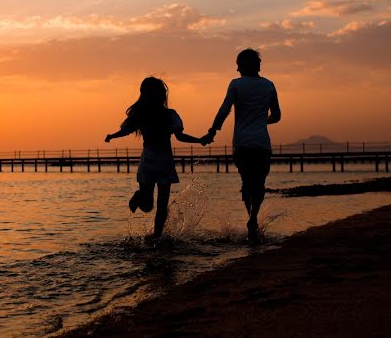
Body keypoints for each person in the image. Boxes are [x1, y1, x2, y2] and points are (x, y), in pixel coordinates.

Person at [105, 77, 210, 241]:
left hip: (150, 162)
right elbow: (180, 136)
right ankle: (156, 236)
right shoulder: (168, 115)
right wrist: (200, 140)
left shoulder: (142, 114)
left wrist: (112, 136)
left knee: (148, 206)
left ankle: (147, 213)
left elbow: (126, 130)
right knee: (160, 206)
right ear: (162, 95)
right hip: (163, 162)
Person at [204, 49, 281, 243]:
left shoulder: (236, 85)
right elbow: (277, 115)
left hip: (242, 144)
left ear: (243, 65)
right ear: (258, 65)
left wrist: (213, 130)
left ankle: (251, 219)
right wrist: (263, 121)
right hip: (262, 144)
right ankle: (254, 217)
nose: (237, 68)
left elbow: (224, 110)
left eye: (238, 64)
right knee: (260, 183)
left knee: (247, 183)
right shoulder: (269, 85)